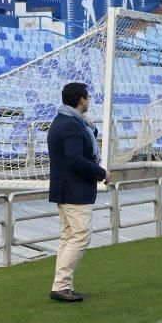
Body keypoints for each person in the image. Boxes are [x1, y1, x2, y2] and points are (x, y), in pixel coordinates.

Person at [47, 82, 111, 302]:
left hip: (65, 188)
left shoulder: (62, 121)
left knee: (68, 236)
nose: (89, 100)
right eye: (88, 97)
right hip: (74, 190)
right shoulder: (72, 125)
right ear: (81, 99)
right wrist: (101, 172)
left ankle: (62, 285)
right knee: (81, 236)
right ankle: (61, 285)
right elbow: (75, 160)